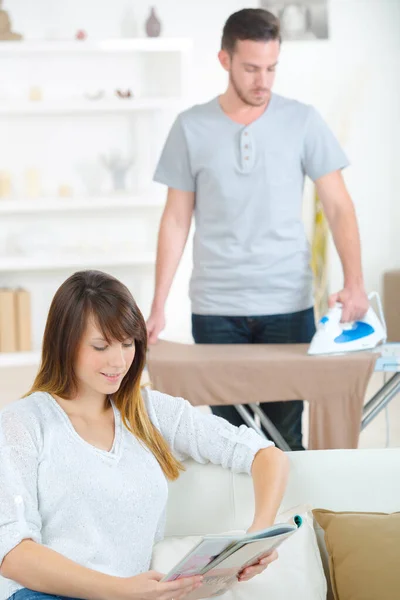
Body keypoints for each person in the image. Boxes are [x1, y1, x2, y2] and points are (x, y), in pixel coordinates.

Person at [147, 8, 369, 450]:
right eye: (250, 68)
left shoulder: (303, 120)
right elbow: (175, 219)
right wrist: (157, 307)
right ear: (224, 60)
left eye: (271, 68)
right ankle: (248, 522)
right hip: (216, 310)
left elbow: (339, 206)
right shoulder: (190, 127)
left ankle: (293, 521)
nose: (262, 80)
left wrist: (356, 283)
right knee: (230, 441)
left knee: (286, 436)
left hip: (287, 306)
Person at [0, 270, 289, 600]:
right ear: (65, 345)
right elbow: (12, 553)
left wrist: (258, 536)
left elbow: (265, 454)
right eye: (100, 346)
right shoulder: (22, 423)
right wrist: (120, 590)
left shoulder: (150, 412)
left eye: (127, 344)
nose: (119, 361)